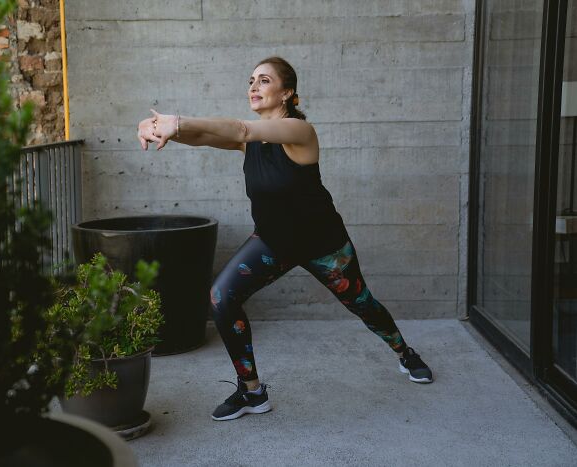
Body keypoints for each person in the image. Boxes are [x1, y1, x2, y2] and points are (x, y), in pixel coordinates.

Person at [136, 56, 433, 422]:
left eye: (263, 80)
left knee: (363, 304)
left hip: (323, 245)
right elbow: (206, 136)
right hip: (273, 243)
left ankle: (405, 353)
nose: (253, 87)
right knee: (221, 297)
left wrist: (176, 121)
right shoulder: (250, 141)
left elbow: (240, 130)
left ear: (287, 92)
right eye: (250, 80)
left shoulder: (299, 132)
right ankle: (252, 392)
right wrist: (157, 125)